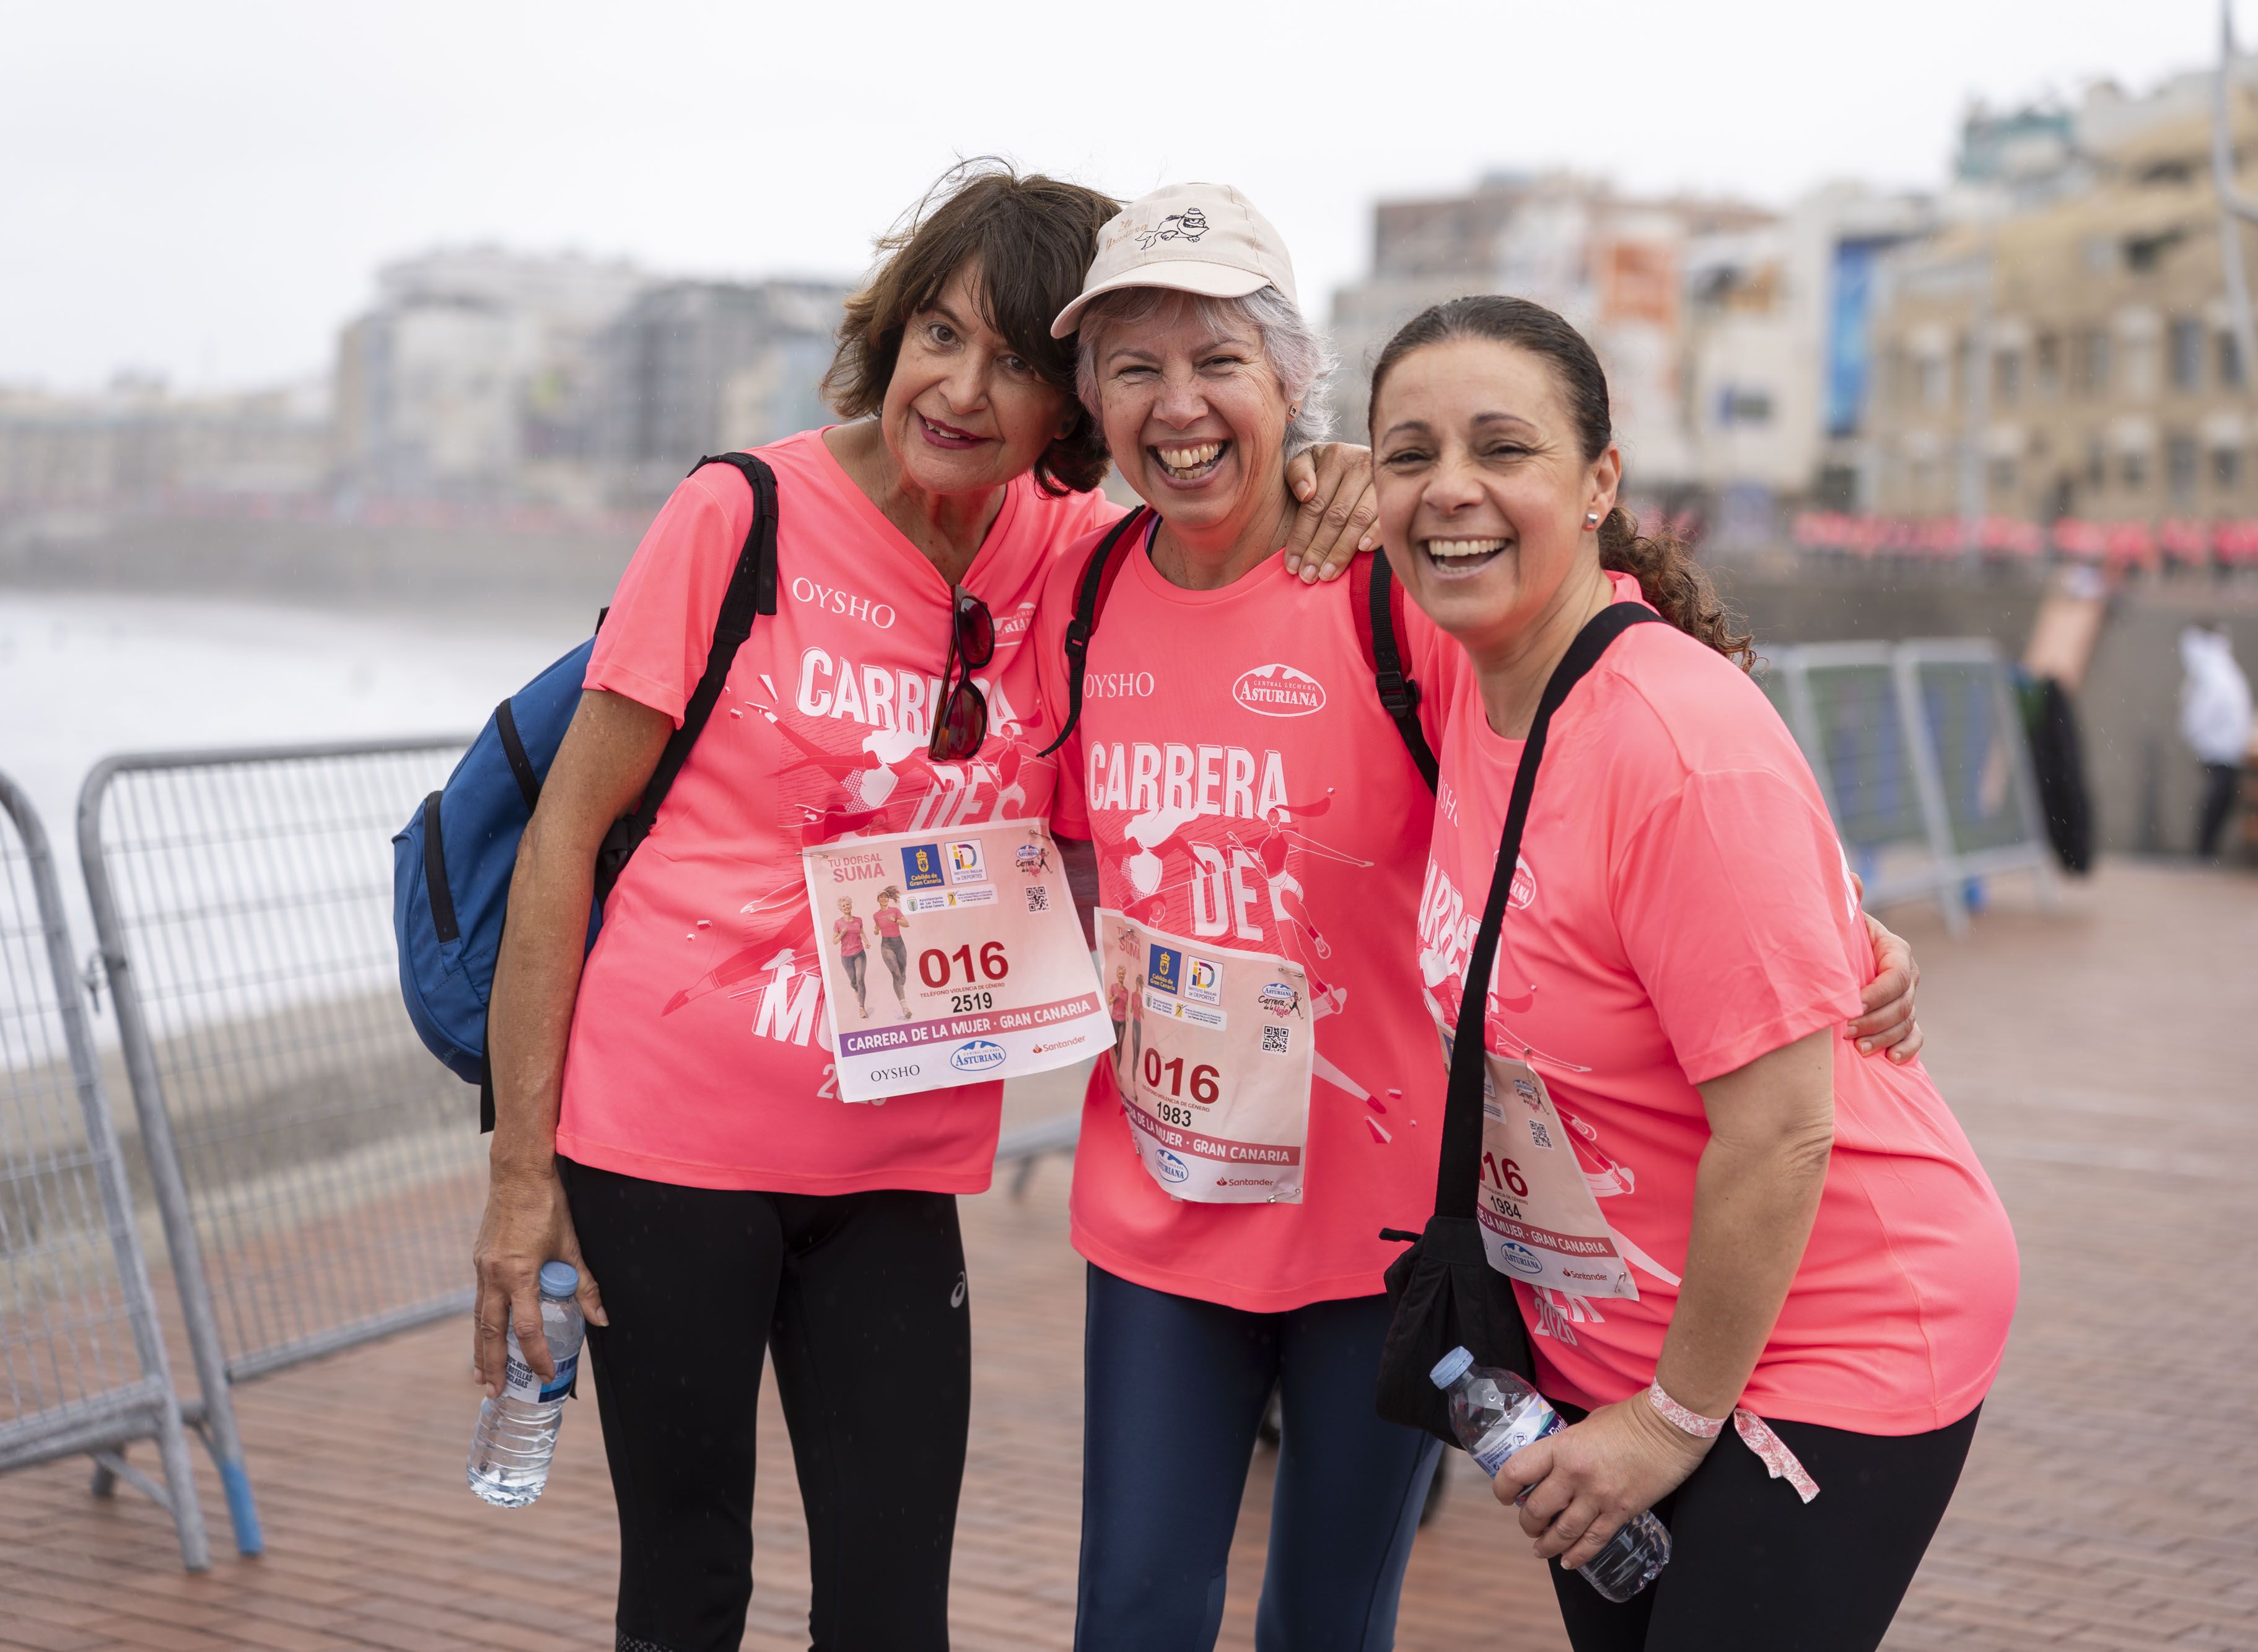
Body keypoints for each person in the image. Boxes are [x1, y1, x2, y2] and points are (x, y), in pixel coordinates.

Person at [468, 162, 1380, 1652]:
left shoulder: (1078, 560)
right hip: (664, 1144)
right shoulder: (738, 513)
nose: (958, 388)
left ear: (1067, 411)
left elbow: (1241, 559)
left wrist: (1338, 474)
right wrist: (521, 1177)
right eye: (936, 335)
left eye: (1015, 362)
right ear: (887, 335)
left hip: (894, 1160)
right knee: (687, 1587)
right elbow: (565, 834)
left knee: (893, 1609)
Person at [1035, 189, 1930, 1652]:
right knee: (1129, 1617)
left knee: (1328, 1623)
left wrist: (1837, 909)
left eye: (1218, 362)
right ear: (1089, 399)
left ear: (1287, 384)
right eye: (1132, 367)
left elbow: (1610, 722)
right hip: (1163, 1212)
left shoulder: (1396, 600)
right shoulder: (1077, 595)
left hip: (1387, 1235)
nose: (1177, 405)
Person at [1368, 295, 2018, 1652]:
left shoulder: (1672, 738)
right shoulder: (1470, 674)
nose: (1449, 490)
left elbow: (1780, 1133)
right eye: (1405, 451)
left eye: (1503, 446)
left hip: (1818, 1336)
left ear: (1599, 481)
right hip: (1613, 1355)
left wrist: (1665, 1424)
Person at [2179, 622, 2253, 858]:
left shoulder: (2215, 673)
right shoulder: (2221, 669)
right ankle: (2206, 850)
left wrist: (2193, 731)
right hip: (2226, 748)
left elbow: (2203, 711)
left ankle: (2205, 851)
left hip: (2225, 749)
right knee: (2219, 801)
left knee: (2217, 801)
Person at [874, 886, 913, 1020]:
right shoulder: (876, 915)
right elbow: (877, 926)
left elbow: (906, 924)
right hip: (886, 945)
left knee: (902, 974)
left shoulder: (895, 911)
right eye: (881, 897)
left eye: (886, 896)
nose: (884, 898)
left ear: (888, 899)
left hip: (899, 944)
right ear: (878, 900)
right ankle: (905, 1007)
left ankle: (900, 989)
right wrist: (876, 930)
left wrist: (895, 920)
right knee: (896, 974)